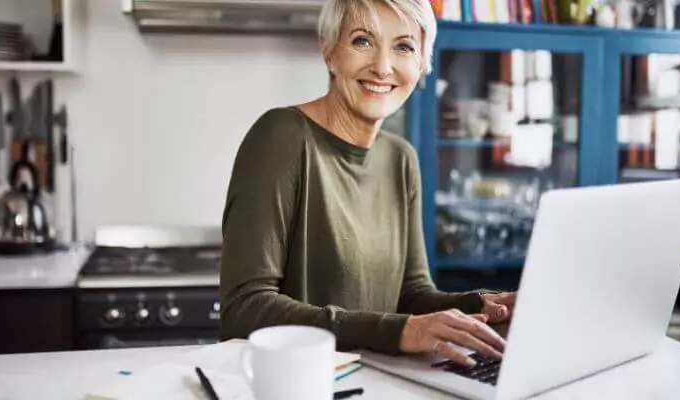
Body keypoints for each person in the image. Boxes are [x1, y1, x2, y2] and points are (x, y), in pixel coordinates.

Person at [220, 0, 516, 367]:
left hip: (374, 382)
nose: (381, 66)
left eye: (404, 47)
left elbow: (410, 297)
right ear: (328, 50)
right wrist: (399, 331)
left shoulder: (400, 158)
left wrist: (487, 306)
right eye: (362, 41)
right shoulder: (282, 136)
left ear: (423, 64)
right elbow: (244, 307)